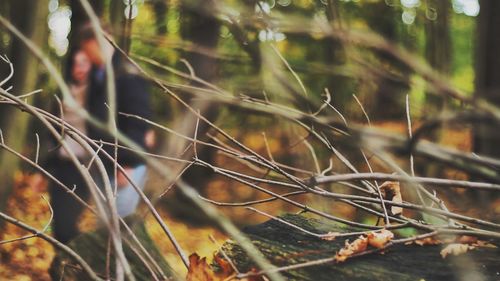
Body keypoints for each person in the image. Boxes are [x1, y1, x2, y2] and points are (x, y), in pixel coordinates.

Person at [77, 23, 152, 218]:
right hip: (104, 161)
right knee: (104, 224)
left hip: (125, 166)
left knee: (119, 225)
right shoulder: (97, 74)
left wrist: (128, 164)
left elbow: (137, 120)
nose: (88, 55)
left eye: (89, 49)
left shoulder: (127, 73)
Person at [47, 49, 92, 244]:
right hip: (61, 165)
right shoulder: (63, 94)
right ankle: (64, 266)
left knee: (67, 225)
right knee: (57, 225)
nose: (78, 68)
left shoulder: (99, 97)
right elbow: (51, 132)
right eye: (75, 63)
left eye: (84, 62)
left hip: (84, 167)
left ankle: (77, 263)